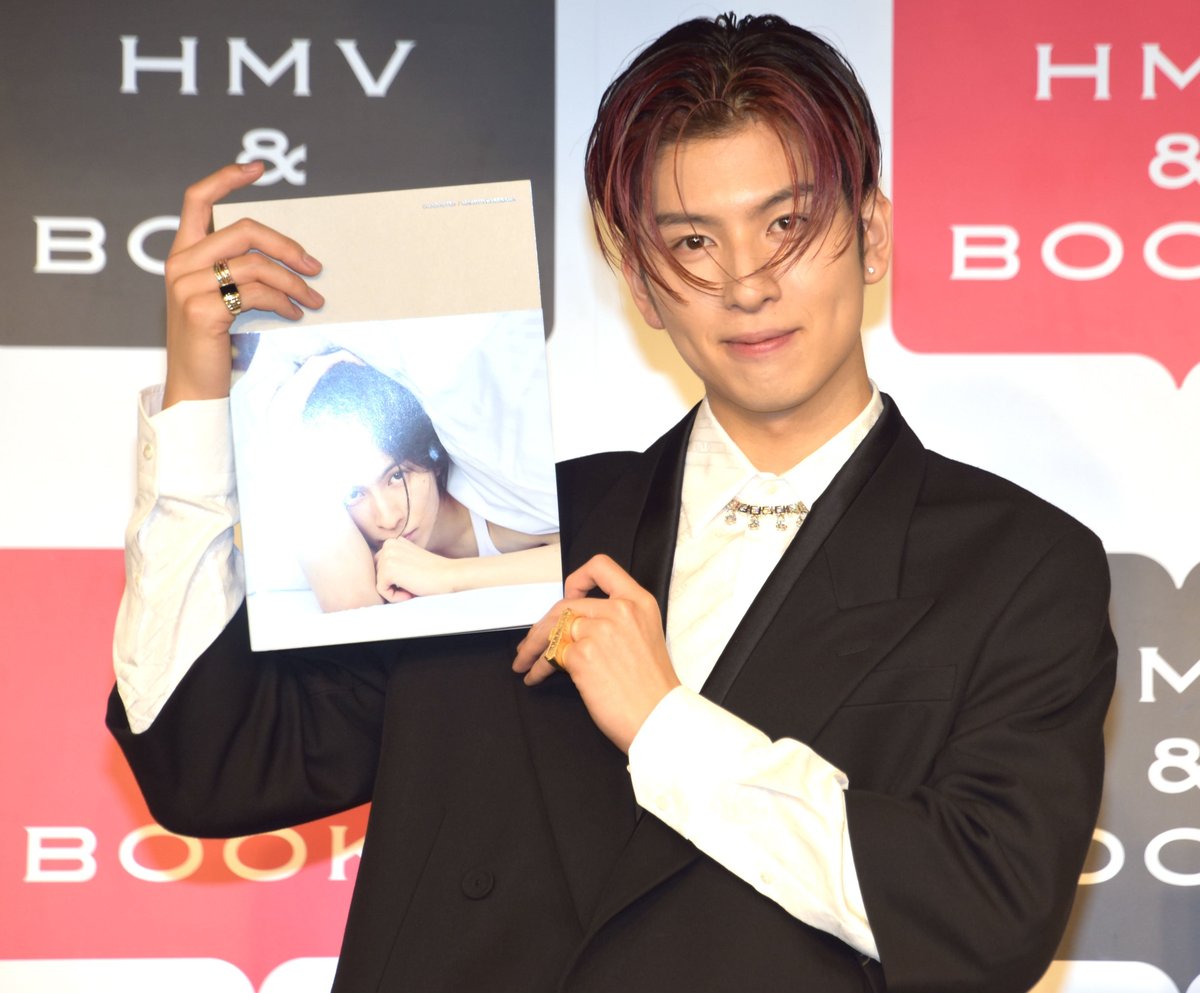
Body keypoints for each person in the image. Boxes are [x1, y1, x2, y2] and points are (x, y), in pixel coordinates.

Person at [109, 13, 1116, 993]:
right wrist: (198, 397)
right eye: (693, 243)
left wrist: (667, 725)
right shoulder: (540, 525)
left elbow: (986, 913)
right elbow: (210, 764)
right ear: (641, 284)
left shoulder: (1018, 569)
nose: (746, 283)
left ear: (871, 233)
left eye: (786, 225)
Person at [264, 352, 560, 611]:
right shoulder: (363, 554)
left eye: (396, 476)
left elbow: (579, 552)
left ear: (431, 458)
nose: (388, 518)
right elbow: (352, 604)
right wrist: (281, 424)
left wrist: (448, 575)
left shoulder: (492, 512)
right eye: (355, 494)